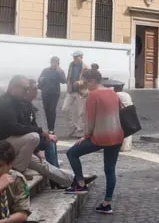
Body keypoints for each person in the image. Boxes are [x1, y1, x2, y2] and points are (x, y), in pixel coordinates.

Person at [0, 75, 73, 188]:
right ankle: (17, 171)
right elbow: (14, 128)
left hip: (8, 142)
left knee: (42, 164)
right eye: (25, 89)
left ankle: (73, 179)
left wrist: (36, 150)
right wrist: (41, 131)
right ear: (13, 87)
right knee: (34, 137)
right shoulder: (5, 103)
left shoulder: (16, 101)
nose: (27, 91)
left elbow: (24, 125)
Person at [65, 69, 124, 214]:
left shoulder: (93, 95)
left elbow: (89, 120)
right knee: (110, 170)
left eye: (85, 82)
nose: (84, 86)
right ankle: (107, 203)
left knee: (72, 153)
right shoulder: (112, 93)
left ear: (91, 81)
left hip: (101, 137)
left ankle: (80, 184)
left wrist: (85, 136)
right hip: (117, 136)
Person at [38, 56, 66, 133]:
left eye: (56, 62)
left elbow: (63, 81)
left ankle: (51, 129)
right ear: (50, 62)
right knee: (46, 110)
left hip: (54, 94)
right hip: (45, 92)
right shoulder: (45, 70)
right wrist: (41, 80)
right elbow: (39, 79)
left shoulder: (60, 71)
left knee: (52, 110)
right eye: (53, 62)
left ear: (58, 63)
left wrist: (58, 71)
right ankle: (49, 128)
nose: (54, 63)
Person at [64, 51, 87, 138]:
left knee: (81, 112)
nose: (74, 59)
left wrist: (79, 82)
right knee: (64, 109)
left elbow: (87, 80)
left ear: (81, 57)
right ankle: (73, 126)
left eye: (76, 57)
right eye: (73, 57)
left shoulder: (85, 67)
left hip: (80, 91)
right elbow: (69, 76)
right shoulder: (71, 64)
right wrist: (68, 84)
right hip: (71, 91)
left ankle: (80, 132)